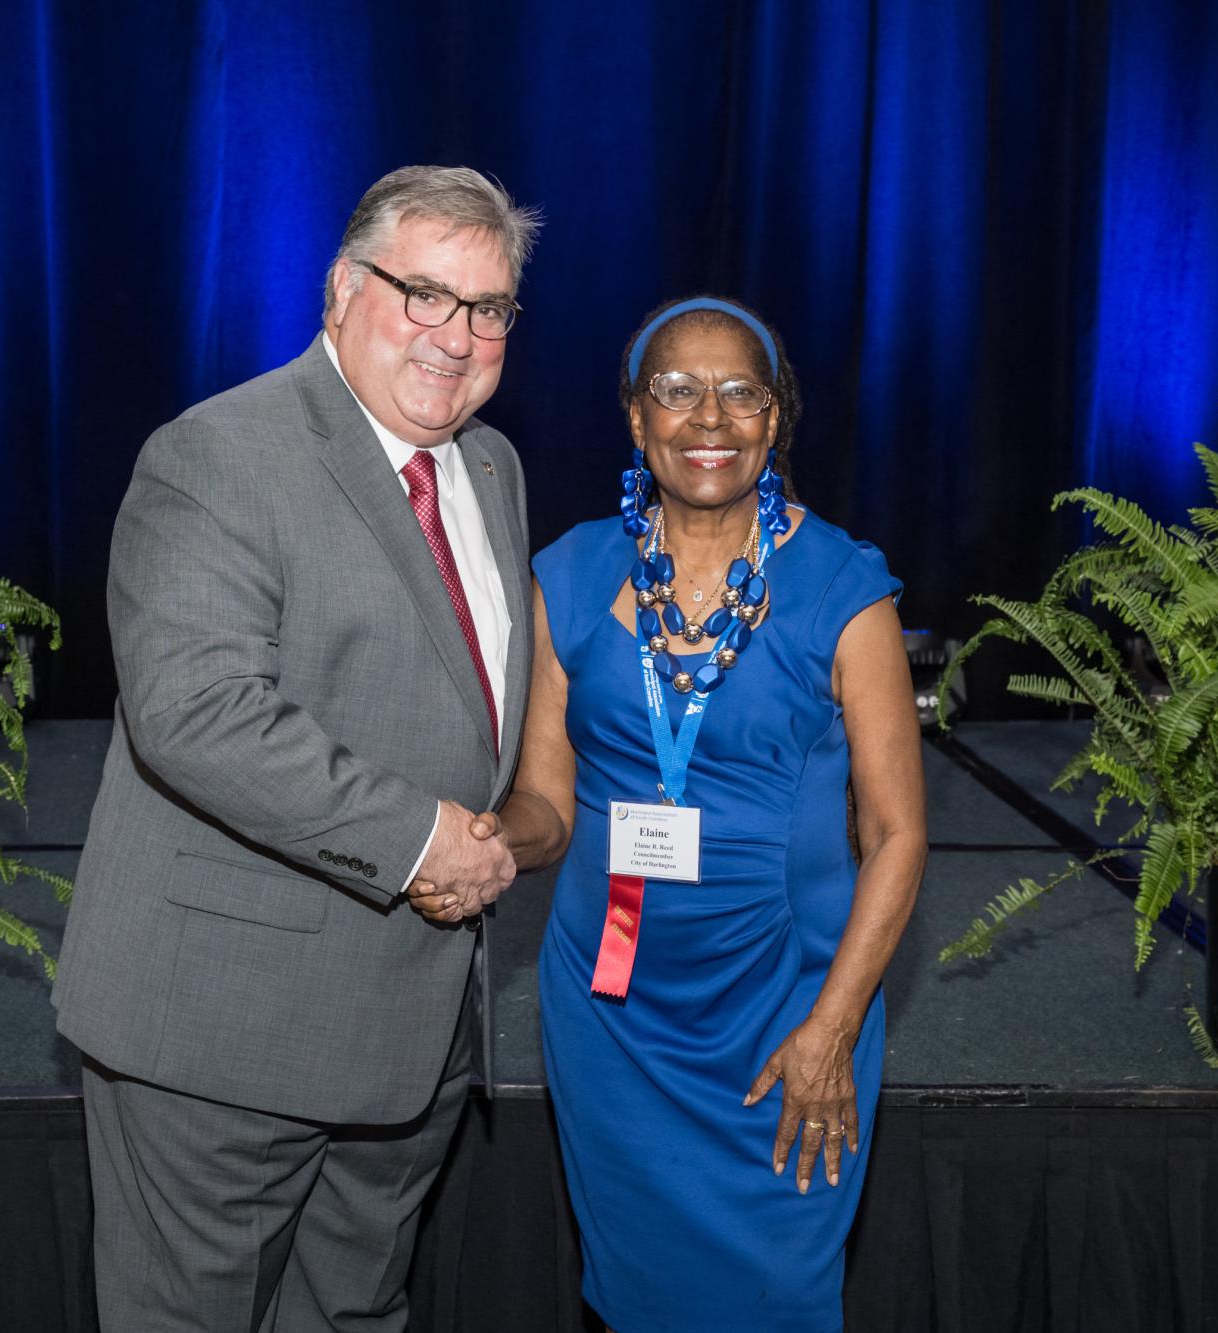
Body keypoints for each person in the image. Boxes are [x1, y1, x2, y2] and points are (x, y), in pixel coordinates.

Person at [53, 165, 542, 1332]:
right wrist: (421, 841)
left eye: (486, 309)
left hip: (409, 1038)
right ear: (341, 289)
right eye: (424, 293)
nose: (455, 335)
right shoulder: (218, 453)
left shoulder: (491, 466)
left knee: (353, 1315)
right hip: (220, 1037)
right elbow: (196, 712)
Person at [414, 296, 926, 1331]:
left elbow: (895, 835)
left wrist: (830, 1029)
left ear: (774, 417)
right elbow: (547, 800)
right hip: (613, 1013)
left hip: (789, 1005)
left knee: (778, 1294)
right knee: (636, 1291)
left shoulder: (841, 587)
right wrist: (486, 841)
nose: (709, 418)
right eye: (677, 391)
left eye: (739, 392)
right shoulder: (569, 573)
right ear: (636, 416)